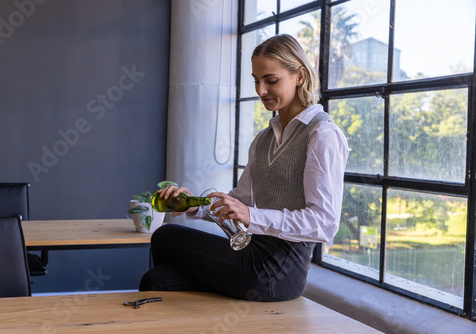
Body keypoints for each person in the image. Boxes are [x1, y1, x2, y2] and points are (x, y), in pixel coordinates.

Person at [139, 34, 349, 302]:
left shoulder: (322, 134)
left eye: (271, 80)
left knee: (165, 236)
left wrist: (252, 216)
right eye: (256, 80)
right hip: (251, 252)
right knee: (156, 281)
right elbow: (240, 202)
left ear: (299, 76)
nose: (261, 90)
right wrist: (193, 205)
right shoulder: (264, 139)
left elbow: (324, 223)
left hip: (280, 270)